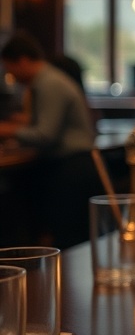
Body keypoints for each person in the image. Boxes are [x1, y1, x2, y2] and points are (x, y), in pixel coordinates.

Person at [0, 30, 102, 248]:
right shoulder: (47, 81)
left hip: (72, 170)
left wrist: (7, 130)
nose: (11, 75)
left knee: (70, 243)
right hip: (74, 167)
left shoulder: (48, 84)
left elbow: (45, 135)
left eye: (10, 68)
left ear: (23, 61)